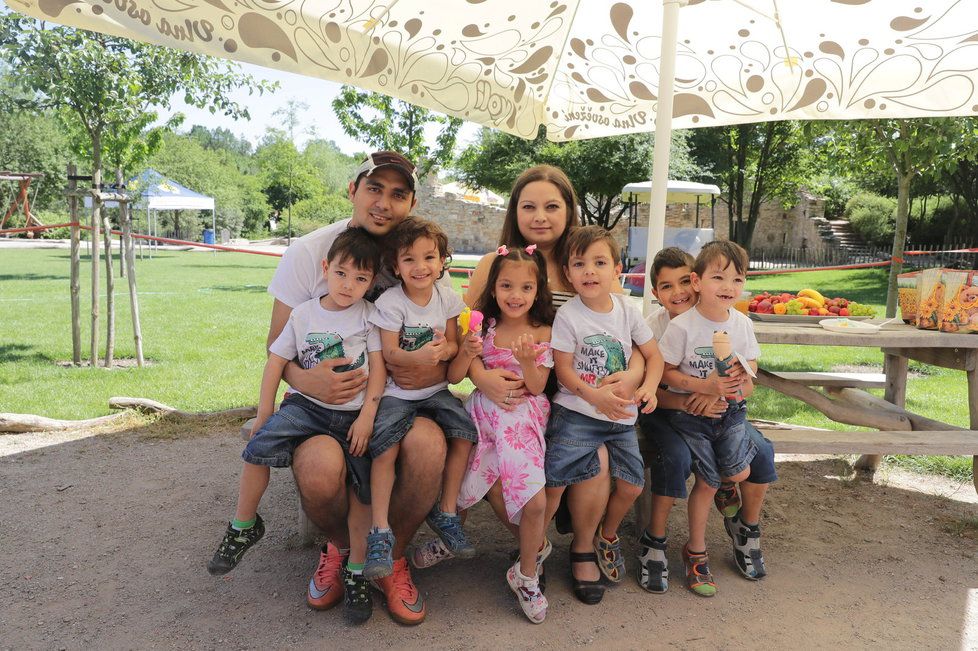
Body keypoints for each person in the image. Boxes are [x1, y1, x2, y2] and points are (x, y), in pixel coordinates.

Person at [410, 166, 647, 583]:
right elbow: (473, 332)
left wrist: (631, 377)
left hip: (574, 398)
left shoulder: (584, 264)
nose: (541, 216)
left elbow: (622, 333)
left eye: (552, 206)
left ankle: (584, 548)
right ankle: (533, 547)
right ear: (514, 212)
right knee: (498, 462)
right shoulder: (494, 264)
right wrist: (481, 379)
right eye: (529, 206)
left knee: (600, 456)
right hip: (510, 393)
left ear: (569, 210)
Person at [264, 151, 443, 626]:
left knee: (428, 448)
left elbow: (446, 334)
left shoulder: (416, 257)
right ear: (352, 189)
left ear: (412, 203)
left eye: (398, 194)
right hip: (321, 402)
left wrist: (436, 366)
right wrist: (305, 378)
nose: (384, 203)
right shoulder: (310, 252)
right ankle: (345, 550)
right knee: (322, 469)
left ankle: (392, 557)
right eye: (374, 188)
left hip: (398, 398)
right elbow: (275, 348)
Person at [208, 228, 384, 623]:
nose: (348, 285)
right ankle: (243, 525)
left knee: (363, 488)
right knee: (257, 447)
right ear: (326, 268)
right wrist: (265, 413)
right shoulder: (304, 313)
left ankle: (355, 570)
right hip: (307, 406)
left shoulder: (369, 316)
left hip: (354, 415)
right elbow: (275, 361)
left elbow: (379, 370)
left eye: (360, 279)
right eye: (341, 274)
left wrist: (369, 416)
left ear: (372, 282)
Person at [636, 247, 776, 594]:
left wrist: (723, 389)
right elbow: (659, 375)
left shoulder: (738, 322)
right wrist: (699, 392)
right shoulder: (669, 326)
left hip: (726, 410)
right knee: (703, 476)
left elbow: (749, 369)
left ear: (693, 282)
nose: (679, 292)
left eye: (737, 279)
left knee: (751, 461)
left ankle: (746, 528)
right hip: (680, 415)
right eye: (667, 287)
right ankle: (689, 550)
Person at [545, 226, 664, 604]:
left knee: (632, 484)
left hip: (621, 419)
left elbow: (654, 357)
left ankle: (606, 534)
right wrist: (593, 395)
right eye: (580, 264)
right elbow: (562, 370)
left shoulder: (627, 312)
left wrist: (645, 386)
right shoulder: (568, 316)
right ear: (568, 272)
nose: (590, 272)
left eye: (599, 263)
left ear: (617, 269)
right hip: (578, 414)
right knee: (554, 482)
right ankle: (533, 543)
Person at [363, 217, 478, 584]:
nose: (420, 267)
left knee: (464, 433)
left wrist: (446, 351)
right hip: (399, 394)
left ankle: (446, 511)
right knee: (385, 447)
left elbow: (452, 343)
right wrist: (421, 359)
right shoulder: (391, 302)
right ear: (395, 266)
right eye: (409, 259)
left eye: (429, 258)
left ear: (442, 261)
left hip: (436, 392)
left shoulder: (446, 298)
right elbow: (391, 353)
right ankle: (380, 530)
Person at [450, 244, 555, 624]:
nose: (516, 295)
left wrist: (528, 361)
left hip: (521, 422)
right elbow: (458, 374)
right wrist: (468, 353)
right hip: (483, 418)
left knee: (536, 502)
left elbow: (539, 386)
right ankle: (451, 536)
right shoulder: (484, 327)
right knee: (468, 477)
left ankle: (526, 576)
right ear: (493, 288)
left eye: (526, 288)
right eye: (507, 286)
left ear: (538, 289)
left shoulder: (543, 329)